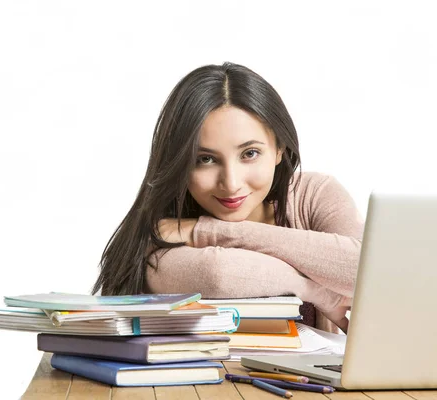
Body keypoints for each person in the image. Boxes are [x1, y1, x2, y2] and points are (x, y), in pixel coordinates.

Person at [91, 62, 363, 333]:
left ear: (279, 148)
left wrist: (209, 230)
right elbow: (219, 275)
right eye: (205, 159)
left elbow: (363, 269)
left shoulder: (312, 195)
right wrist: (318, 292)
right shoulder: (162, 231)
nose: (231, 184)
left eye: (249, 154)